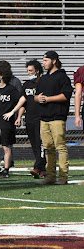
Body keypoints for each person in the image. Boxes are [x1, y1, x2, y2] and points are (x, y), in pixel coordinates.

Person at [35, 51, 72, 185]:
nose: (43, 63)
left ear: (54, 61)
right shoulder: (43, 78)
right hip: (44, 117)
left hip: (57, 117)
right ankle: (50, 176)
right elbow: (35, 96)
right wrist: (37, 98)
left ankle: (63, 177)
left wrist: (49, 99)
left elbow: (66, 95)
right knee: (48, 148)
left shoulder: (63, 77)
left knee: (60, 147)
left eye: (46, 60)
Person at [0, 63, 21, 178]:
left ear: (1, 75)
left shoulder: (11, 89)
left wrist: (12, 112)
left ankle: (6, 170)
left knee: (6, 146)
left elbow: (22, 99)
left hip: (6, 120)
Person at [20, 60, 47, 178]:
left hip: (41, 117)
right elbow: (23, 102)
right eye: (27, 71)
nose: (29, 73)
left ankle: (38, 167)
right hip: (29, 118)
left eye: (30, 70)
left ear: (37, 70)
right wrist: (19, 116)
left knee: (40, 143)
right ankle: (41, 168)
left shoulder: (43, 82)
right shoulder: (26, 85)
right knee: (34, 144)